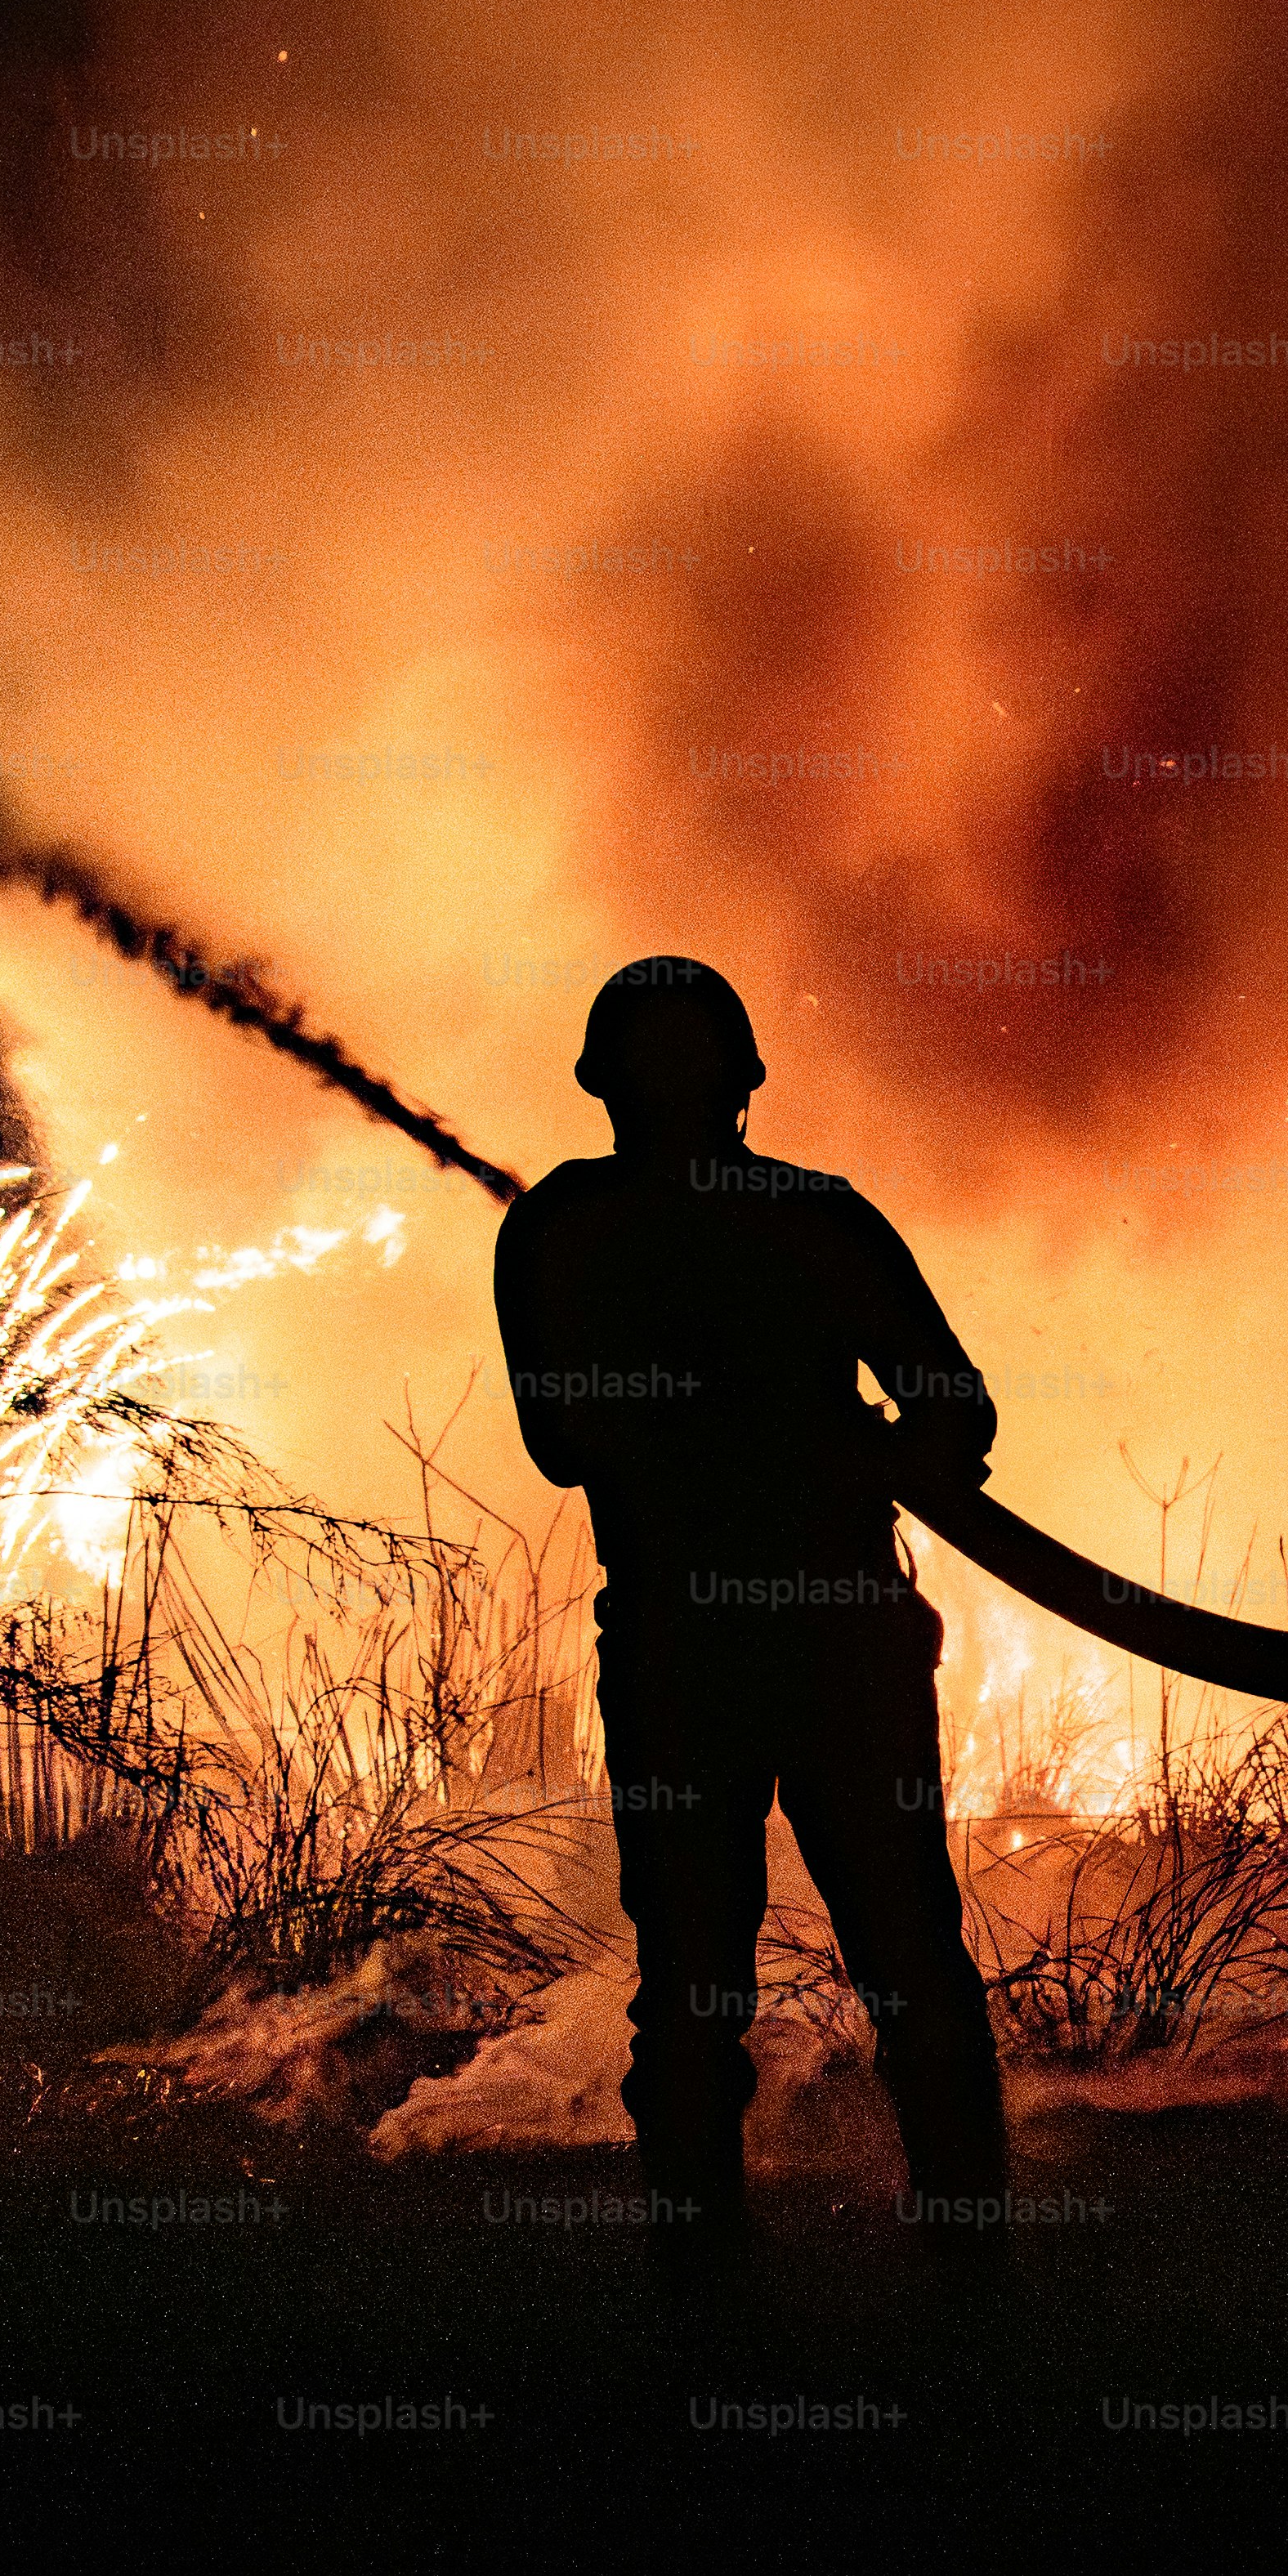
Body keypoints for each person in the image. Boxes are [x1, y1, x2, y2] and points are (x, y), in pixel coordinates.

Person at [492, 957, 1007, 2283]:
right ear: (749, 1081)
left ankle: (709, 2274)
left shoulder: (561, 1230)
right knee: (897, 1961)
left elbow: (562, 1442)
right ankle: (957, 2259)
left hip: (696, 1651)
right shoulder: (791, 1221)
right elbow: (952, 1408)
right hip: (814, 1640)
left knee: (709, 1984)